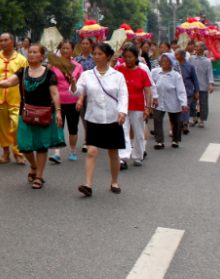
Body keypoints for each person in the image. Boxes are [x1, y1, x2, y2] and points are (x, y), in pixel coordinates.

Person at [0, 44, 65, 189]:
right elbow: (9, 82)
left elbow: (55, 93)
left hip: (44, 113)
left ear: (42, 56)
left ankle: (39, 177)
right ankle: (34, 166)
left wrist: (58, 111)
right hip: (25, 113)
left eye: (35, 52)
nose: (31, 54)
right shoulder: (23, 71)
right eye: (29, 52)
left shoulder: (49, 73)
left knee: (41, 146)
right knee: (24, 146)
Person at [74, 42, 128, 196]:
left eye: (100, 54)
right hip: (94, 118)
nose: (96, 57)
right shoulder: (87, 75)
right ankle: (88, 185)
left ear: (108, 56)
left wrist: (122, 111)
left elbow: (123, 95)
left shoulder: (117, 76)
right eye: (94, 54)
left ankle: (114, 181)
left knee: (113, 152)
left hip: (113, 118)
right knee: (91, 151)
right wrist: (72, 84)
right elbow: (77, 91)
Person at [0, 32, 28, 165]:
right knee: (2, 128)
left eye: (6, 40)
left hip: (17, 98)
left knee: (18, 125)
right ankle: (6, 153)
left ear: (12, 42)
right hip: (0, 98)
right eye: (1, 41)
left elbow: (26, 79)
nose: (3, 43)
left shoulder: (21, 59)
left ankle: (18, 152)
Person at [115, 43, 152, 169]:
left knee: (139, 132)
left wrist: (148, 107)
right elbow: (107, 76)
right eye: (125, 56)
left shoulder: (142, 72)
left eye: (130, 57)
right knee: (123, 131)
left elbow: (147, 91)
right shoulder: (119, 69)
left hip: (138, 106)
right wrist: (111, 61)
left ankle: (138, 156)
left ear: (136, 57)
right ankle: (123, 157)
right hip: (122, 107)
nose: (128, 59)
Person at [50, 39, 82, 163]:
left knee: (73, 127)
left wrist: (80, 100)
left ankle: (72, 151)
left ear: (73, 51)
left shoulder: (78, 66)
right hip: (58, 101)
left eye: (68, 48)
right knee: (58, 125)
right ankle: (57, 152)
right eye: (63, 48)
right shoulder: (54, 65)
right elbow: (51, 83)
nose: (65, 50)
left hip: (73, 100)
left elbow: (82, 85)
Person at [151, 53, 187, 149]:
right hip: (158, 100)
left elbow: (181, 90)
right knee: (157, 119)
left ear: (171, 63)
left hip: (173, 100)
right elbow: (151, 85)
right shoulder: (155, 72)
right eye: (162, 61)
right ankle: (159, 141)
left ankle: (175, 140)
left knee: (175, 121)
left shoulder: (176, 76)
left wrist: (183, 103)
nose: (164, 63)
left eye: (166, 62)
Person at [191, 43, 213, 127]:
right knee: (192, 102)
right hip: (193, 86)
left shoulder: (207, 61)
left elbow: (209, 73)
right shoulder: (191, 58)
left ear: (203, 48)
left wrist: (211, 84)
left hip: (203, 85)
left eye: (197, 46)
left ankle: (201, 120)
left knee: (203, 103)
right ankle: (194, 118)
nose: (196, 48)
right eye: (195, 46)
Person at [176, 49, 197, 136]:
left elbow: (195, 80)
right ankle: (179, 123)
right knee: (178, 107)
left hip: (187, 90)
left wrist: (197, 91)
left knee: (186, 106)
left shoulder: (190, 66)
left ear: (182, 56)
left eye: (177, 55)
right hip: (177, 90)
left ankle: (185, 124)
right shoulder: (174, 66)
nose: (175, 57)